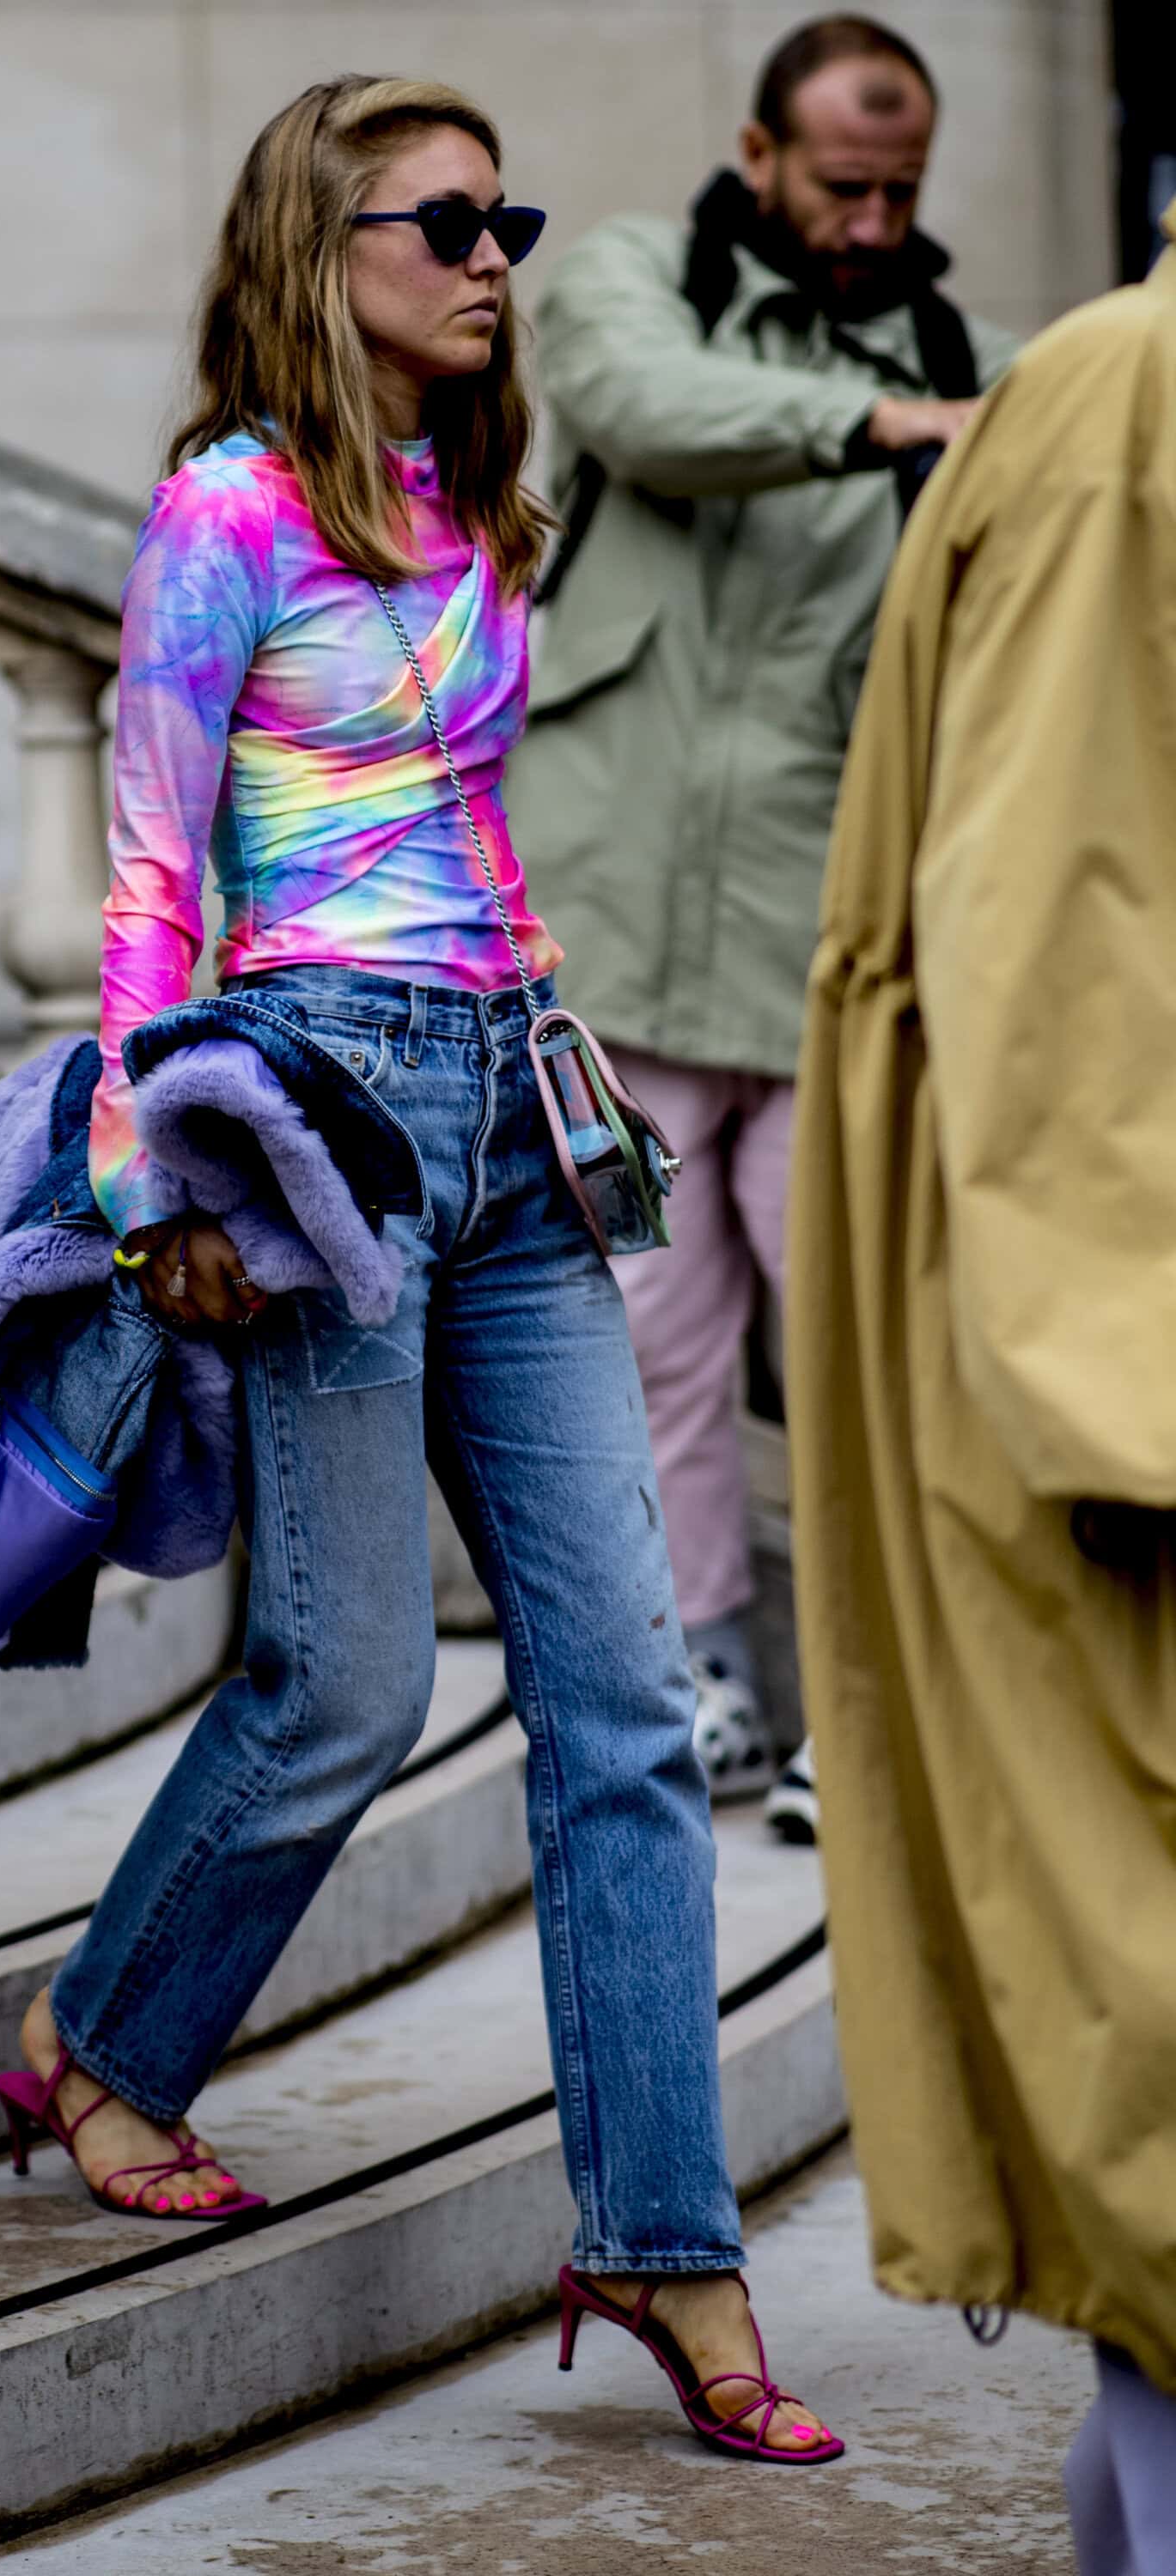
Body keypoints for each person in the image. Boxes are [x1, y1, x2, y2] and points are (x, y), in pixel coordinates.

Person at [2, 74, 841, 2463]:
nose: (494, 261)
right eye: (448, 223)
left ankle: (661, 2238)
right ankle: (106, 2039)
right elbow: (155, 864)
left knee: (626, 1705)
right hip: (319, 1126)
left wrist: (545, 1019)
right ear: (324, 245)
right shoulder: (226, 509)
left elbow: (466, 818)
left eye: (508, 223)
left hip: (509, 1116)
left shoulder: (471, 502)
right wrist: (153, 1181)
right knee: (351, 1682)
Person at [506, 15, 1016, 1814]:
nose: (875, 221)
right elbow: (647, 409)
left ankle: (864, 1712)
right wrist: (885, 427)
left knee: (865, 1348)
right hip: (612, 938)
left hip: (826, 952)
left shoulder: (975, 367)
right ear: (759, 153)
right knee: (652, 1343)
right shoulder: (636, 280)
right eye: (843, 184)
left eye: (902, 189)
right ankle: (701, 1677)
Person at [786, 217, 1176, 2565]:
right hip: (1112, 1388)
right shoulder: (1130, 396)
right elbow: (1048, 941)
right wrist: (1125, 1392)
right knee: (1143, 2054)